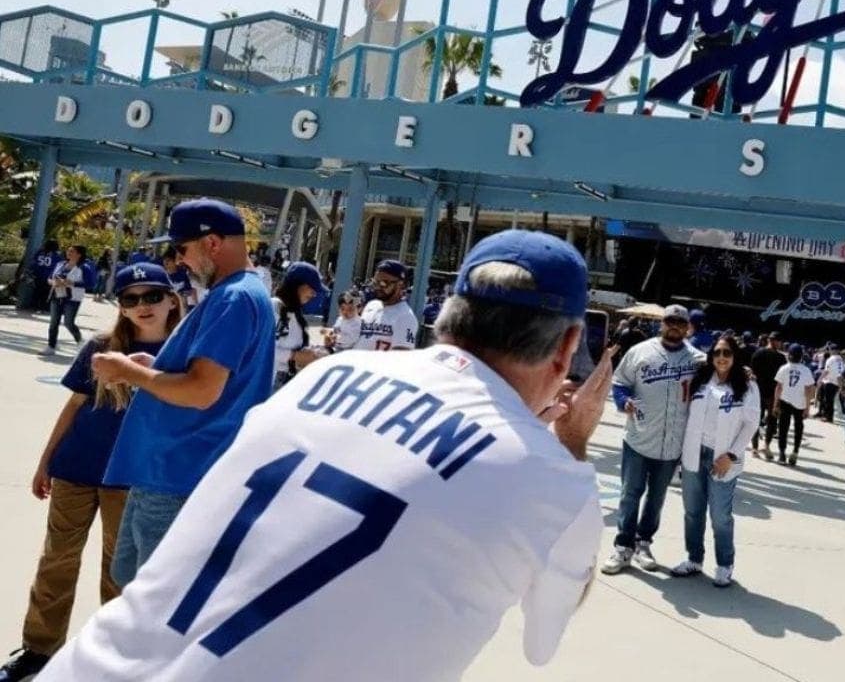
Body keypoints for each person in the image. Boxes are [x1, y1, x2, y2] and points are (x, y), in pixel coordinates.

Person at [37, 230, 616, 682]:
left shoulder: (333, 372)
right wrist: (568, 444)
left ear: (447, 319)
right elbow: (542, 641)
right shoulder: (550, 479)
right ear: (567, 347)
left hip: (94, 666)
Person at [0, 264, 183, 682]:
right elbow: (75, 405)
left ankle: (112, 655)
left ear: (172, 298)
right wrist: (46, 460)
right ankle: (38, 649)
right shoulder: (102, 346)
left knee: (120, 573)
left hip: (133, 477)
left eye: (152, 295)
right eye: (130, 298)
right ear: (120, 306)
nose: (143, 306)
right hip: (77, 468)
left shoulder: (183, 355)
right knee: (57, 561)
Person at [92, 198, 276, 586]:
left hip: (179, 472)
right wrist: (154, 368)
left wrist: (126, 370)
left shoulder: (234, 297)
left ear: (211, 243)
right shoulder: (239, 293)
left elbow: (202, 391)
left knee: (150, 599)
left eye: (181, 248)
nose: (178, 260)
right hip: (171, 471)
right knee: (130, 581)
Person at [604, 304, 706, 575]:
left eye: (679, 322)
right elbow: (619, 381)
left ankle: (643, 543)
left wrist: (742, 375)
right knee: (630, 493)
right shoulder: (641, 351)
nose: (674, 326)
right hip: (639, 436)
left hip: (672, 442)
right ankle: (623, 546)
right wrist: (623, 400)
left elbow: (720, 378)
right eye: (669, 321)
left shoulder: (697, 359)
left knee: (656, 498)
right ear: (662, 324)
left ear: (687, 327)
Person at [670, 336, 759, 588]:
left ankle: (724, 564)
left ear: (735, 356)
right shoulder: (700, 380)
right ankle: (694, 559)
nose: (722, 357)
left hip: (723, 458)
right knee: (692, 511)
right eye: (717, 352)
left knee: (720, 515)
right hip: (694, 453)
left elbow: (751, 423)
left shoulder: (747, 385)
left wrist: (731, 455)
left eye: (727, 353)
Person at [271, 262, 328, 391]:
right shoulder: (275, 307)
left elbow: (294, 339)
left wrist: (321, 341)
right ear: (296, 285)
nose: (313, 294)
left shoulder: (294, 311)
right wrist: (295, 356)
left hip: (287, 381)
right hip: (273, 382)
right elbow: (265, 349)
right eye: (311, 288)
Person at [354, 259, 419, 351]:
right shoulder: (371, 306)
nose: (378, 287)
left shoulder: (405, 317)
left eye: (384, 283)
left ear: (401, 285)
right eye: (375, 282)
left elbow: (402, 358)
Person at [768, 343, 815, 464]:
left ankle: (782, 454)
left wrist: (775, 404)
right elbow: (809, 390)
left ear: (789, 355)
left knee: (783, 428)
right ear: (801, 356)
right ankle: (795, 452)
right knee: (799, 427)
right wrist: (808, 408)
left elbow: (778, 387)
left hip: (785, 401)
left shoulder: (784, 368)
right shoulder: (806, 370)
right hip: (800, 403)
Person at [41, 245, 91, 356]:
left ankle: (80, 342)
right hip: (57, 295)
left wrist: (72, 283)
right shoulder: (60, 264)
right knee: (54, 322)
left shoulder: (84, 267)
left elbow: (90, 283)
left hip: (72, 298)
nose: (69, 253)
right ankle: (51, 346)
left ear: (79, 254)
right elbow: (50, 278)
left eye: (72, 251)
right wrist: (53, 282)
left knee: (68, 322)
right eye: (68, 251)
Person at [749, 332, 787, 457]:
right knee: (771, 420)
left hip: (758, 392)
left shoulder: (758, 353)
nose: (780, 344)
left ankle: (755, 448)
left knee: (756, 420)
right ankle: (765, 446)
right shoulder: (781, 358)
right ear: (774, 341)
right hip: (772, 393)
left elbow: (752, 373)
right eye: (779, 341)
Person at [30, 239, 62, 313]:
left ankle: (35, 306)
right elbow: (59, 265)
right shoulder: (56, 255)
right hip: (48, 276)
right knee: (46, 292)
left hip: (38, 274)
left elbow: (34, 261)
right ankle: (43, 307)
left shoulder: (40, 253)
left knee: (37, 290)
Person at [817, 345, 845, 422]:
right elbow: (841, 373)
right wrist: (841, 385)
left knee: (828, 400)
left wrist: (820, 379)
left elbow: (826, 371)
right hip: (837, 382)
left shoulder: (831, 359)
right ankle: (828, 416)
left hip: (830, 381)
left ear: (832, 350)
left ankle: (828, 417)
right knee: (830, 401)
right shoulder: (840, 360)